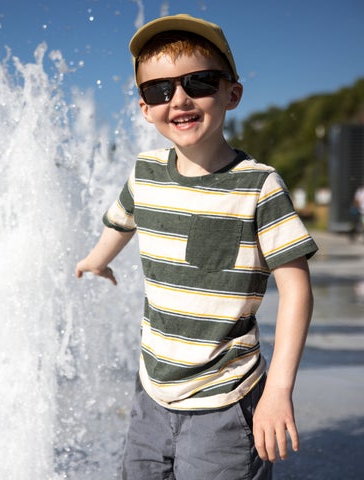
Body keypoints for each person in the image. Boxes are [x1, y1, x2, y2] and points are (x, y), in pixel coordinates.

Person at [75, 14, 318, 479]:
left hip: (225, 404)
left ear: (232, 93)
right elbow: (121, 221)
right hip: (151, 392)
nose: (179, 99)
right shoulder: (145, 172)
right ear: (145, 108)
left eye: (199, 82)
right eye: (159, 90)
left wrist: (278, 390)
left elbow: (297, 290)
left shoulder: (257, 186)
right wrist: (96, 260)